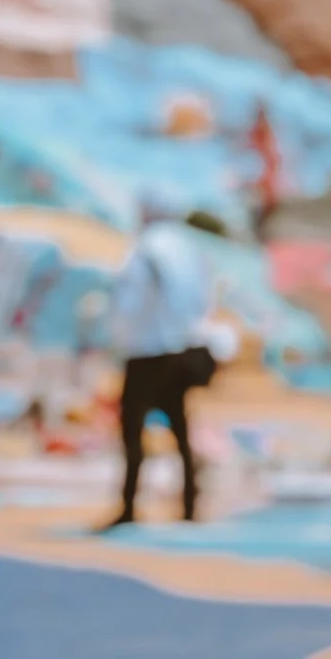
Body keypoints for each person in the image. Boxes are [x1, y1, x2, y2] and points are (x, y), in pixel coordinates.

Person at [101, 201, 213, 528]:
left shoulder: (146, 250)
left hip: (146, 351)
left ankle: (129, 506)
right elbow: (201, 299)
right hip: (179, 349)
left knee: (133, 433)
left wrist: (116, 337)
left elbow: (128, 303)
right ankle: (190, 505)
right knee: (179, 430)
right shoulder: (188, 247)